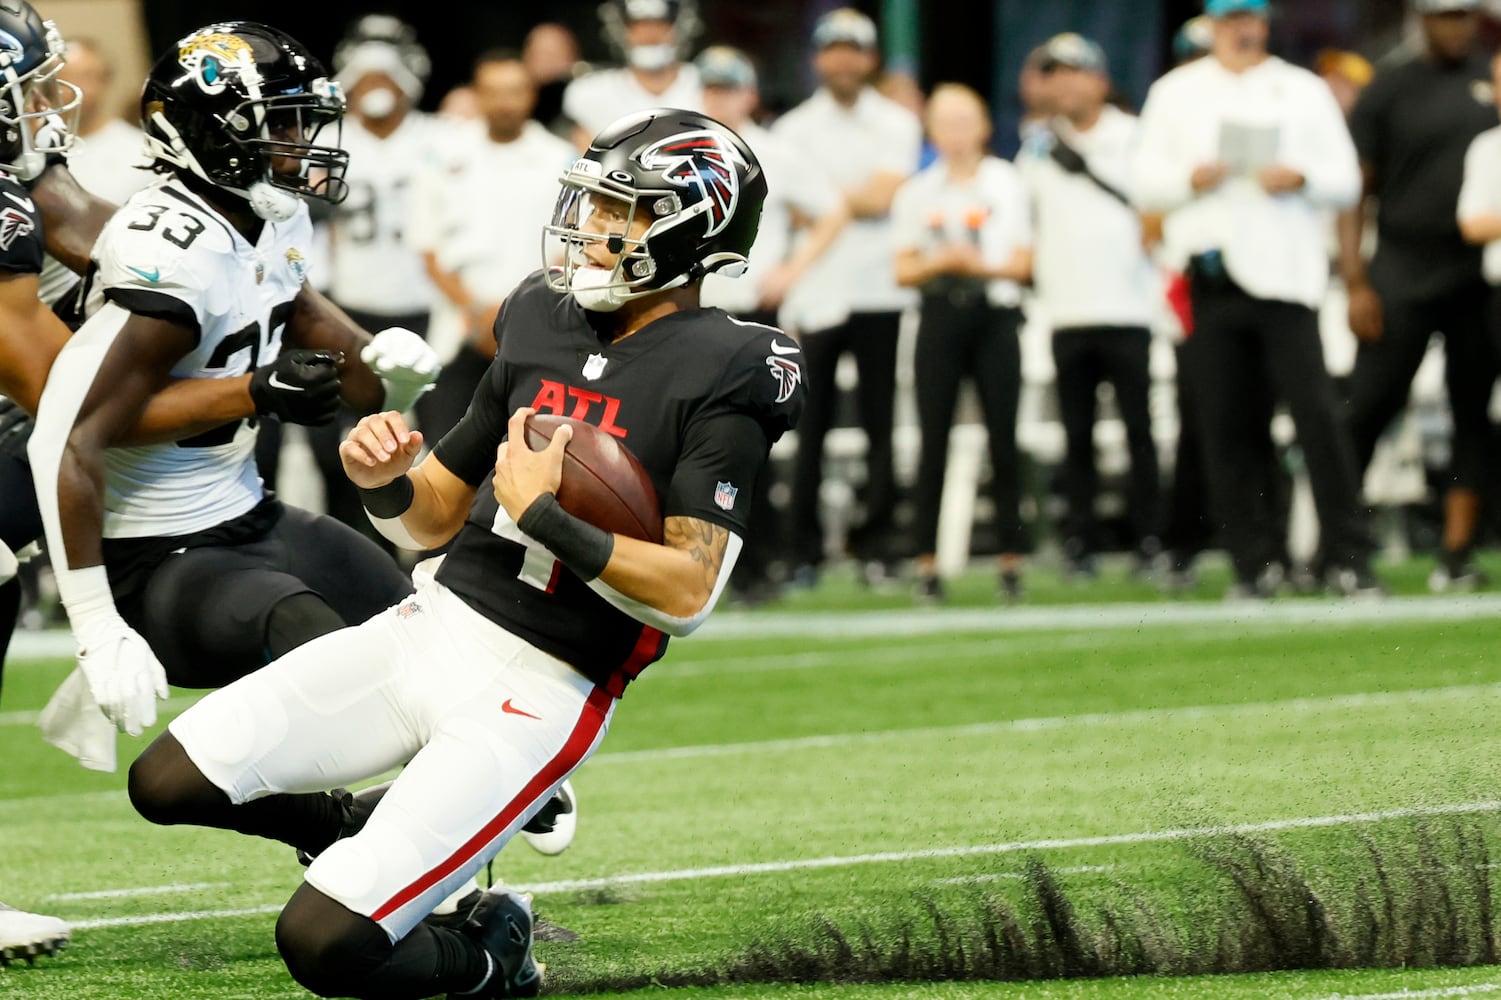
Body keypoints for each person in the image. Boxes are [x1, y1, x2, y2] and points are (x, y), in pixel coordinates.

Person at [121, 106, 800, 1000]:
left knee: (322, 945)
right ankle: (355, 828)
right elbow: (430, 522)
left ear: (692, 226)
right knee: (167, 781)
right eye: (592, 206)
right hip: (432, 624)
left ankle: (492, 957)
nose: (591, 230)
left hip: (540, 688)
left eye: (620, 212)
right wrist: (387, 482)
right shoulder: (537, 315)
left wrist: (552, 520)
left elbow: (685, 594)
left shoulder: (733, 366)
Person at [27, 21, 443, 741]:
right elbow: (75, 433)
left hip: (247, 514)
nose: (301, 144)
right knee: (320, 648)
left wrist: (386, 371)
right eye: (279, 126)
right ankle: (330, 827)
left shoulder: (267, 216)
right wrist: (94, 628)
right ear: (213, 134)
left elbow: (324, 339)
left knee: (420, 627)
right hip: (154, 550)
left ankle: (485, 790)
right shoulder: (171, 253)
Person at [1132, 0, 1381, 599]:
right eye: (1233, 18)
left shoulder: (1301, 91)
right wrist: (1191, 180)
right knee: (1226, 426)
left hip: (1286, 277)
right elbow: (1143, 184)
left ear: (1264, 25)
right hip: (1212, 274)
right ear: (1213, 26)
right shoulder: (1175, 93)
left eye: (1253, 18)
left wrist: (1301, 178)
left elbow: (1346, 179)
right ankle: (1254, 561)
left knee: (1317, 417)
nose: (1245, 30)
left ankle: (1347, 556)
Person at [258, 15, 447, 550]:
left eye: (385, 78)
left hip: (424, 308)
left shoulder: (444, 136)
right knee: (337, 447)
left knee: (438, 441)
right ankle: (355, 550)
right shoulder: (327, 137)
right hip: (343, 307)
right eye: (366, 79)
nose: (375, 90)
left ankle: (432, 553)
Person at [1340, 0, 1498, 592]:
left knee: (1472, 415)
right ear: (1423, 19)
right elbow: (1357, 189)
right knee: (1369, 405)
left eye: (1464, 15)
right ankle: (1340, 542)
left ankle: (1456, 552)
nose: (1457, 26)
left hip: (1474, 276)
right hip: (1402, 270)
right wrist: (1356, 279)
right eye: (1446, 15)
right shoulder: (1389, 85)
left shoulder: (1488, 80)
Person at [773, 7, 921, 582]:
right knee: (811, 426)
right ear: (818, 58)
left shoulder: (897, 122)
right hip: (815, 291)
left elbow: (886, 197)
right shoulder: (792, 130)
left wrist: (826, 205)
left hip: (881, 289)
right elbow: (791, 208)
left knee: (881, 424)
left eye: (853, 48)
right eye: (833, 48)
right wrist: (840, 204)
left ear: (869, 58)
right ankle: (803, 549)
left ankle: (881, 543)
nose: (843, 59)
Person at [696, 45, 849, 601]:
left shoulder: (777, 152)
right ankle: (704, 565)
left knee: (748, 441)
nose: (719, 98)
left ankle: (759, 564)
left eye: (728, 88)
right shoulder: (685, 150)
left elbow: (832, 212)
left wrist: (791, 270)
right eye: (711, 88)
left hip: (753, 312)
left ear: (749, 94)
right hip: (695, 310)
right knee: (696, 442)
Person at [1018, 33, 1162, 580]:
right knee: (1076, 436)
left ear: (1101, 80)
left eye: (1076, 72)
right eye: (1054, 74)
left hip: (1129, 306)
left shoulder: (1137, 137)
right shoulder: (1036, 147)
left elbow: (1157, 205)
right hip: (1067, 310)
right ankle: (1082, 541)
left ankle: (1150, 538)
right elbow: (1024, 219)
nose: (1065, 84)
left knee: (1138, 432)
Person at [892, 83, 1031, 602]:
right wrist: (938, 264)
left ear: (984, 127)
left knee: (1004, 439)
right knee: (933, 440)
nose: (954, 133)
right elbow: (902, 267)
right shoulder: (917, 191)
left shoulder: (1006, 183)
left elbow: (1022, 262)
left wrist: (979, 266)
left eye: (963, 121)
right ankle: (926, 563)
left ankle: (1011, 560)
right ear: (931, 131)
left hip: (994, 313)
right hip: (939, 313)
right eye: (943, 123)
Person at [412, 51, 577, 445]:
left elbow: (570, 249)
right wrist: (476, 312)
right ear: (477, 95)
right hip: (457, 333)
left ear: (531, 95)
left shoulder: (561, 160)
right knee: (443, 456)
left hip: (538, 336)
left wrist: (512, 317)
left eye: (514, 91)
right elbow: (427, 249)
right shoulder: (441, 157)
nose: (504, 102)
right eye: (493, 92)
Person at [562, 0, 702, 150]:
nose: (649, 36)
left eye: (660, 25)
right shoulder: (589, 91)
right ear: (621, 30)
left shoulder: (708, 82)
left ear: (678, 28)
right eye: (638, 26)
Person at [58, 37, 153, 205]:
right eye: (64, 78)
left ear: (105, 81)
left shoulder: (143, 151)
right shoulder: (35, 153)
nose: (75, 89)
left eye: (85, 77)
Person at [523, 22, 583, 138]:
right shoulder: (514, 98)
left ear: (574, 57)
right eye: (542, 54)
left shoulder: (586, 98)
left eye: (555, 54)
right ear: (526, 57)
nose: (548, 61)